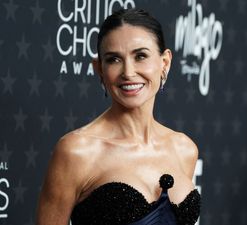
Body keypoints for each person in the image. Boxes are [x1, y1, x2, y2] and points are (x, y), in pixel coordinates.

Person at [36, 8, 201, 225]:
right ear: (100, 69)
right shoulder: (77, 151)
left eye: (140, 56)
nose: (128, 72)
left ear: (165, 63)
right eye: (114, 59)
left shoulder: (184, 149)